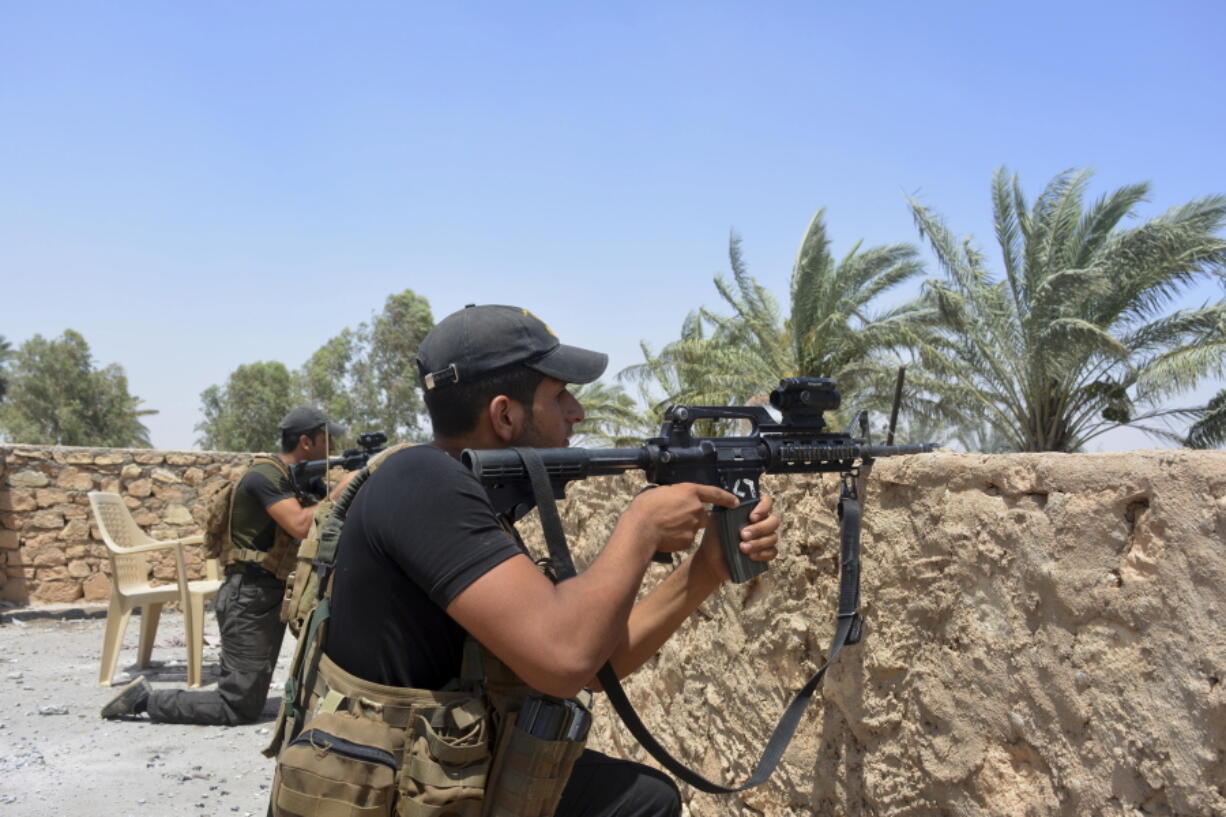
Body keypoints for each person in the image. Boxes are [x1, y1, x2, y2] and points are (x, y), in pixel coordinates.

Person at [322, 305, 781, 816]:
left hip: (427, 776)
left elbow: (592, 664)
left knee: (645, 796)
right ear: (505, 415)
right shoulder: (425, 485)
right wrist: (641, 527)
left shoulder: (449, 487)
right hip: (396, 793)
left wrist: (707, 570)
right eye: (559, 395)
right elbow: (565, 662)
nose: (576, 412)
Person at [101, 407, 357, 725]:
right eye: (325, 440)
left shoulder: (297, 481)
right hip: (249, 598)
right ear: (306, 442)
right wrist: (340, 490)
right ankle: (144, 700)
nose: (331, 448)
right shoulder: (264, 476)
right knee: (237, 706)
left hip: (278, 593)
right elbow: (302, 527)